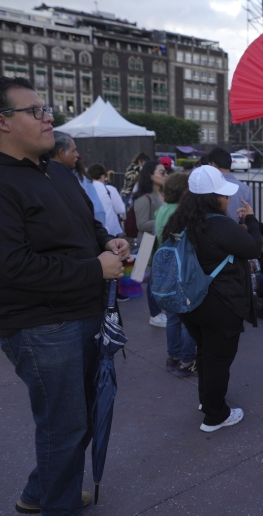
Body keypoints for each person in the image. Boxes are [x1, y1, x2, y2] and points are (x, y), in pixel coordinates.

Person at [0, 76, 129, 514]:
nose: (49, 117)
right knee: (64, 426)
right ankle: (58, 503)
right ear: (2, 122)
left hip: (82, 313)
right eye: (35, 111)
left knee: (78, 419)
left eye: (46, 109)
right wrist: (94, 268)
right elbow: (10, 267)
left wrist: (107, 242)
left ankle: (41, 492)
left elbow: (84, 225)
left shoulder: (55, 169)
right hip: (42, 326)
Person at [163, 165, 262, 432]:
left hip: (188, 302)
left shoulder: (180, 220)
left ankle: (207, 401)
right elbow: (253, 248)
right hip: (220, 302)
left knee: (205, 352)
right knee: (219, 358)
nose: (227, 199)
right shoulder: (219, 224)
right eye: (224, 195)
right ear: (213, 197)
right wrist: (251, 221)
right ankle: (215, 415)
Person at [153, 171, 197, 378]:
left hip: (166, 270)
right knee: (188, 316)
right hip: (183, 269)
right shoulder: (182, 213)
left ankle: (173, 356)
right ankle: (187, 360)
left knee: (172, 317)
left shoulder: (161, 210)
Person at [133, 160, 168, 327]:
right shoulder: (144, 197)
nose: (165, 175)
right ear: (150, 175)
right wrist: (163, 221)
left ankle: (160, 311)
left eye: (166, 171)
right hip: (150, 244)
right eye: (161, 172)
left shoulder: (164, 193)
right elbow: (141, 223)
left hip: (161, 243)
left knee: (160, 278)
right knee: (153, 279)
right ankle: (155, 314)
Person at [48, 132, 106, 230]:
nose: (77, 155)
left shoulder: (79, 177)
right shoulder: (48, 178)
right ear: (61, 152)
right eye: (74, 150)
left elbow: (97, 211)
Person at [207, 147, 253, 224]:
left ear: (213, 165)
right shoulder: (245, 189)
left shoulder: (207, 185)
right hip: (236, 232)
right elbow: (248, 218)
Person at [87, 163, 126, 237]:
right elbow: (121, 209)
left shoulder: (85, 190)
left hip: (92, 230)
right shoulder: (110, 189)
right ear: (102, 176)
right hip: (110, 230)